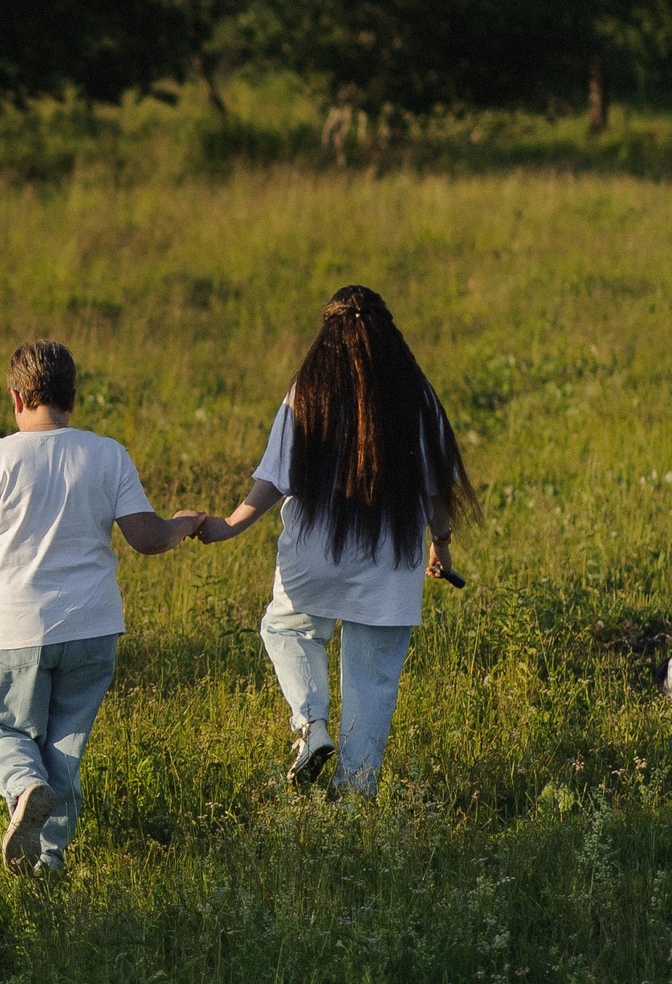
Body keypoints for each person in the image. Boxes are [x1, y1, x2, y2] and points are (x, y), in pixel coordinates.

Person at [197, 285, 477, 795]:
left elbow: (276, 475)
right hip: (392, 561)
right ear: (390, 334)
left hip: (314, 554)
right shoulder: (416, 394)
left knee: (287, 630)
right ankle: (353, 798)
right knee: (371, 683)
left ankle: (311, 726)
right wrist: (442, 542)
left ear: (326, 334)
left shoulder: (309, 389)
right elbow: (437, 487)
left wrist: (230, 525)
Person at [0, 340, 205, 874]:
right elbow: (146, 538)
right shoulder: (107, 453)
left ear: (16, 398)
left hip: (16, 630)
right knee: (66, 744)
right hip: (94, 628)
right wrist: (186, 523)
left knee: (4, 734)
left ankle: (22, 788)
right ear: (74, 398)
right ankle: (49, 860)